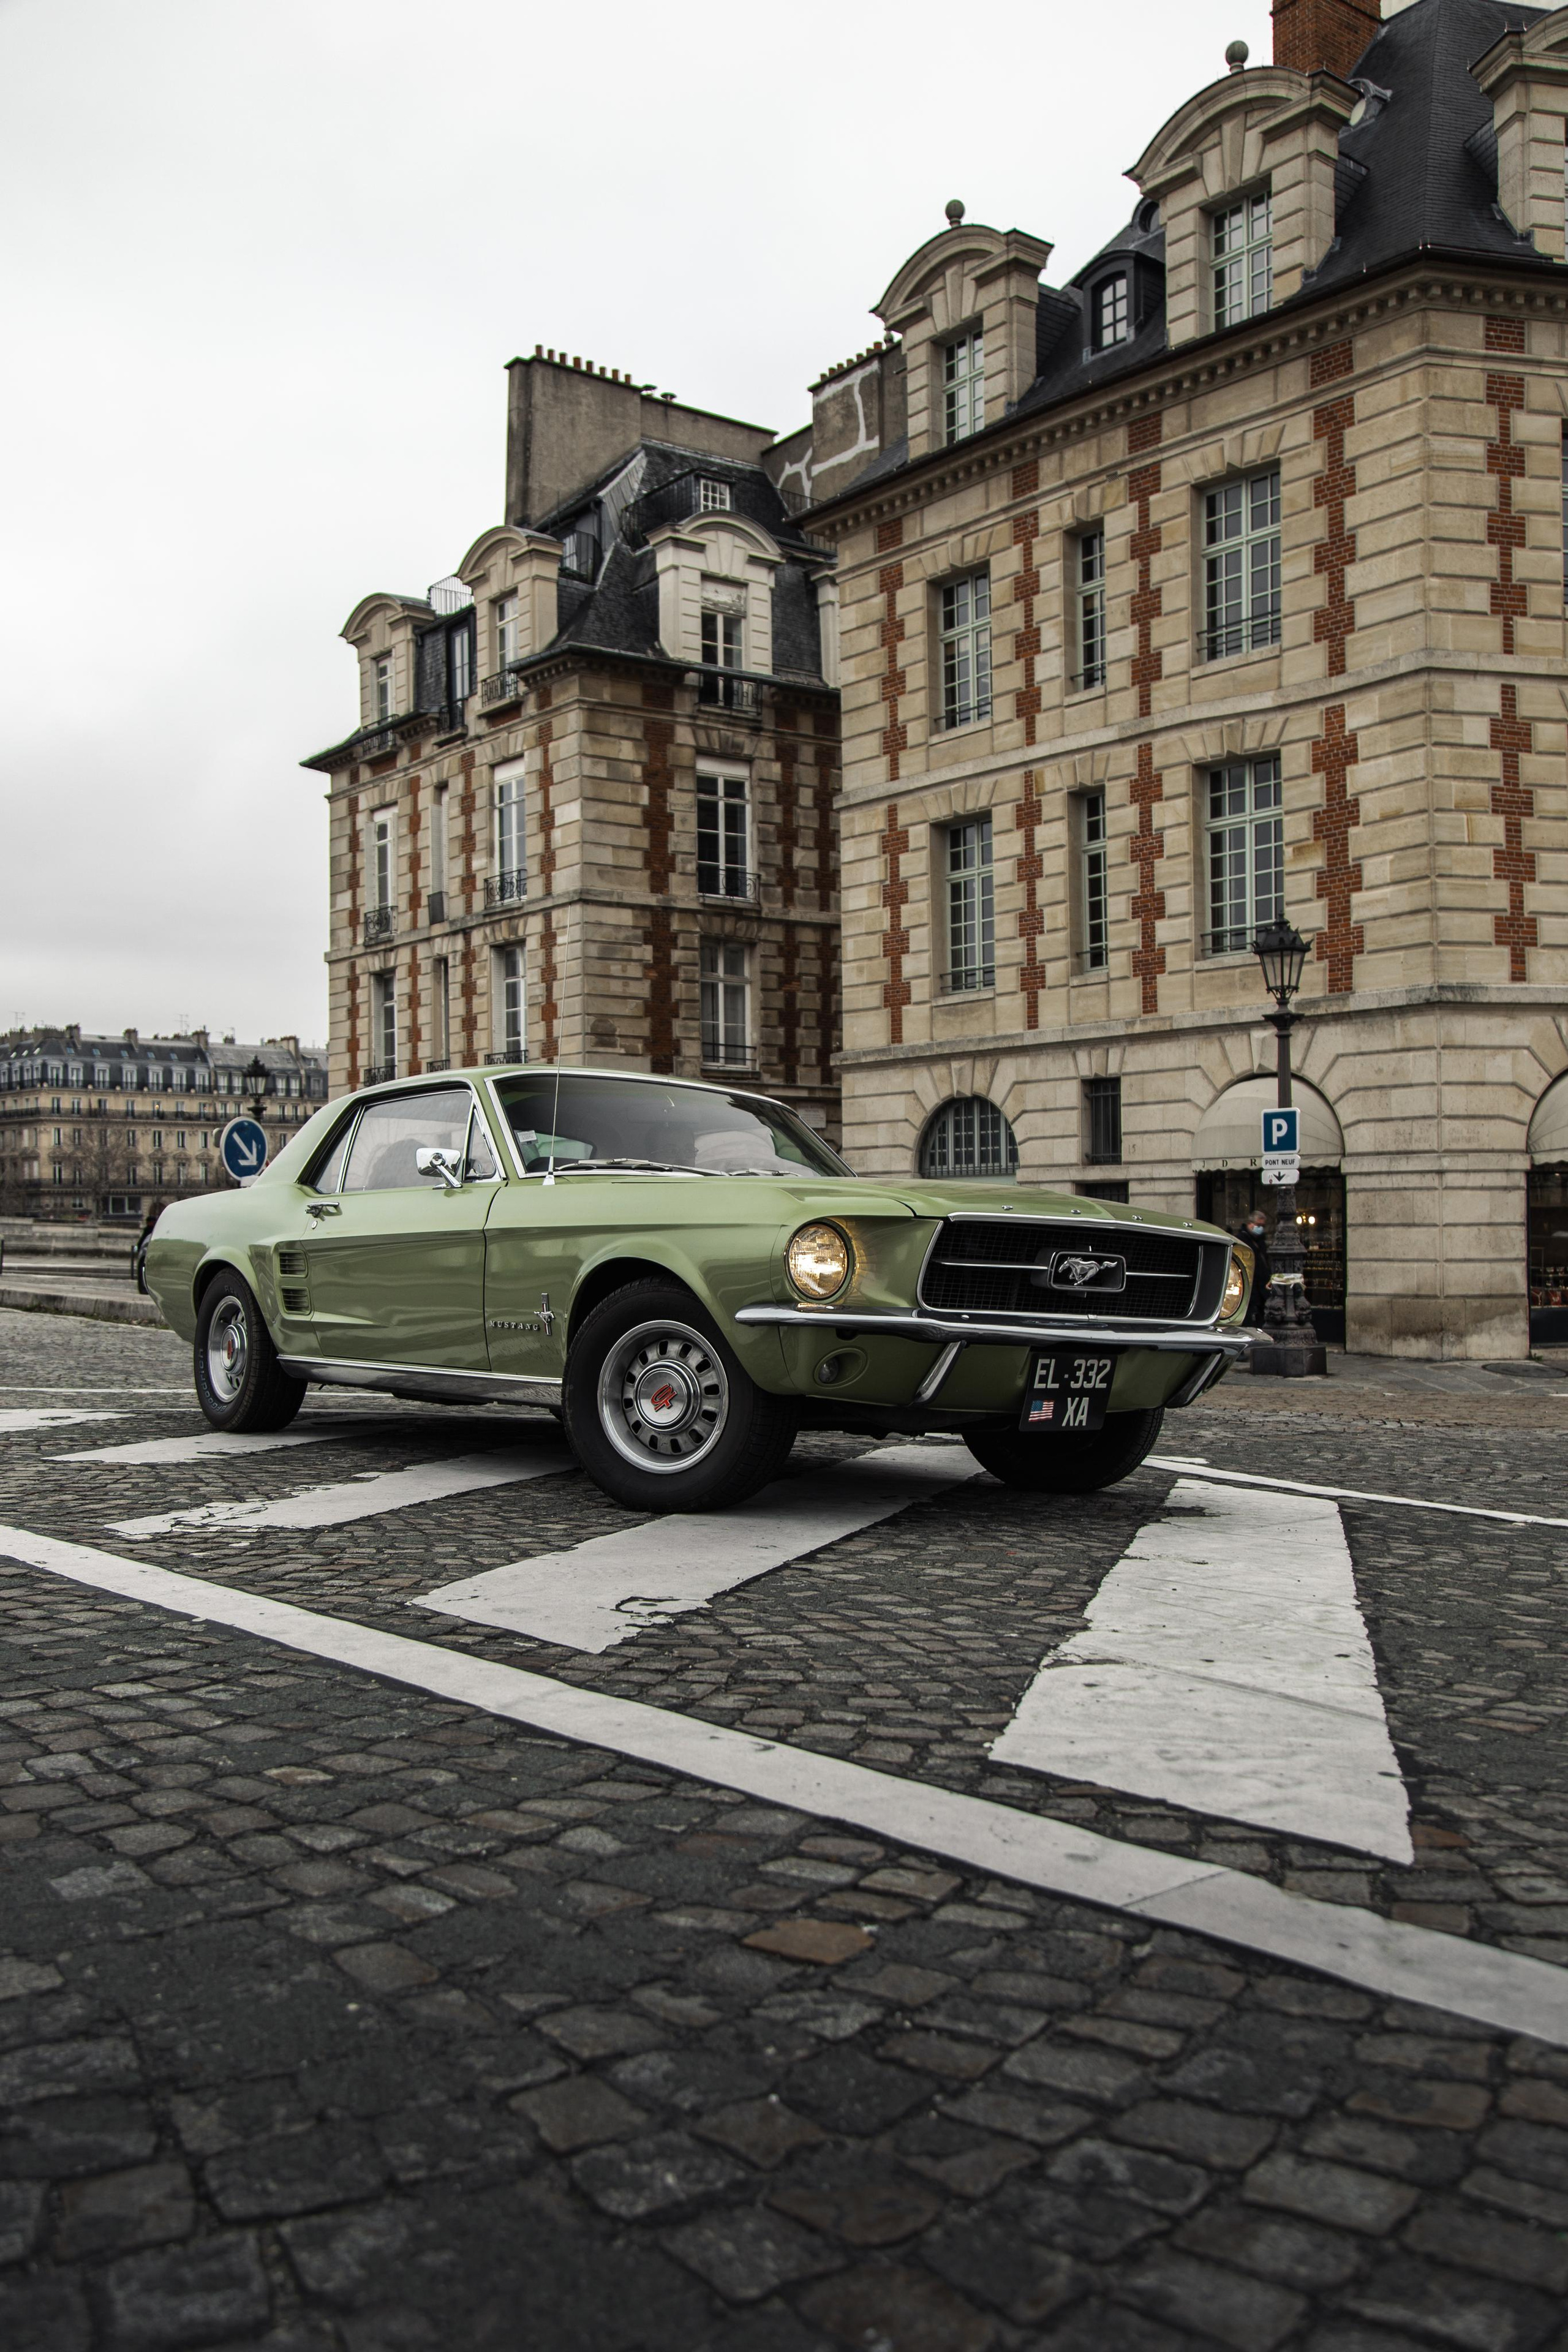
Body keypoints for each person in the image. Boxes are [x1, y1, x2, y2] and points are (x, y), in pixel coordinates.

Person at [1235, 1206, 1272, 1324]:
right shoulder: (1242, 1240)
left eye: (1262, 1226)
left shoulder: (1260, 1241)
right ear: (1250, 1224)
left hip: (1262, 1288)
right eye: (1258, 1225)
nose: (1260, 1228)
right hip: (1251, 1289)